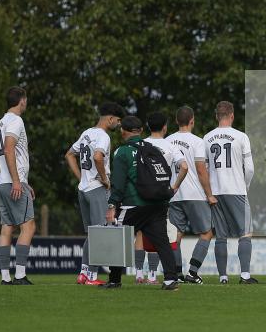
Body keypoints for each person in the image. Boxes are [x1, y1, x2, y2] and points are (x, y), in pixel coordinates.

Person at [103, 116, 179, 290]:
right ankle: (170, 279)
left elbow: (118, 183)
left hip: (133, 205)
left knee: (119, 241)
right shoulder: (153, 148)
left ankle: (115, 280)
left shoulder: (122, 152)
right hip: (157, 203)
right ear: (141, 131)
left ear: (123, 131)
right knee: (162, 242)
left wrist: (112, 205)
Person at [65, 101, 124, 285]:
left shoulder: (86, 133)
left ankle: (84, 273)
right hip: (97, 189)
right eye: (118, 120)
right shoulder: (103, 136)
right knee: (99, 233)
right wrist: (105, 178)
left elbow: (69, 155)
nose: (119, 124)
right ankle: (91, 276)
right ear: (111, 118)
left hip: (83, 189)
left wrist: (81, 177)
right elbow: (98, 157)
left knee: (92, 234)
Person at [203, 101, 255, 284]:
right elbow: (249, 169)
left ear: (217, 116)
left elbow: (205, 169)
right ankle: (245, 276)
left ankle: (223, 277)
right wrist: (245, 186)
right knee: (245, 232)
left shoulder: (207, 138)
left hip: (215, 191)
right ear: (232, 115)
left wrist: (208, 191)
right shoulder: (241, 136)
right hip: (236, 189)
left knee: (221, 235)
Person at [167, 106, 217, 285]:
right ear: (192, 120)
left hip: (174, 194)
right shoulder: (197, 141)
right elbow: (201, 170)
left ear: (176, 121)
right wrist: (209, 194)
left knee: (176, 235)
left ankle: (176, 274)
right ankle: (193, 273)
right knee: (207, 233)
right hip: (195, 194)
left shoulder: (168, 140)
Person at [0, 86, 35, 285]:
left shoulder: (1, 122)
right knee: (28, 227)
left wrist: (24, 182)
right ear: (21, 100)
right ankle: (19, 275)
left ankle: (5, 277)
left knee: (7, 228)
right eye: (26, 99)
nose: (26, 102)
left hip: (2, 181)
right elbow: (9, 148)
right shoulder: (16, 120)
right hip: (12, 182)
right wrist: (18, 181)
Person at [141, 111, 188, 283]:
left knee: (141, 234)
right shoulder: (169, 146)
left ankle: (138, 274)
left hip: (143, 196)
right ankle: (165, 275)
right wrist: (174, 187)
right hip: (161, 196)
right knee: (162, 236)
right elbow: (184, 166)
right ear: (165, 127)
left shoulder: (141, 144)